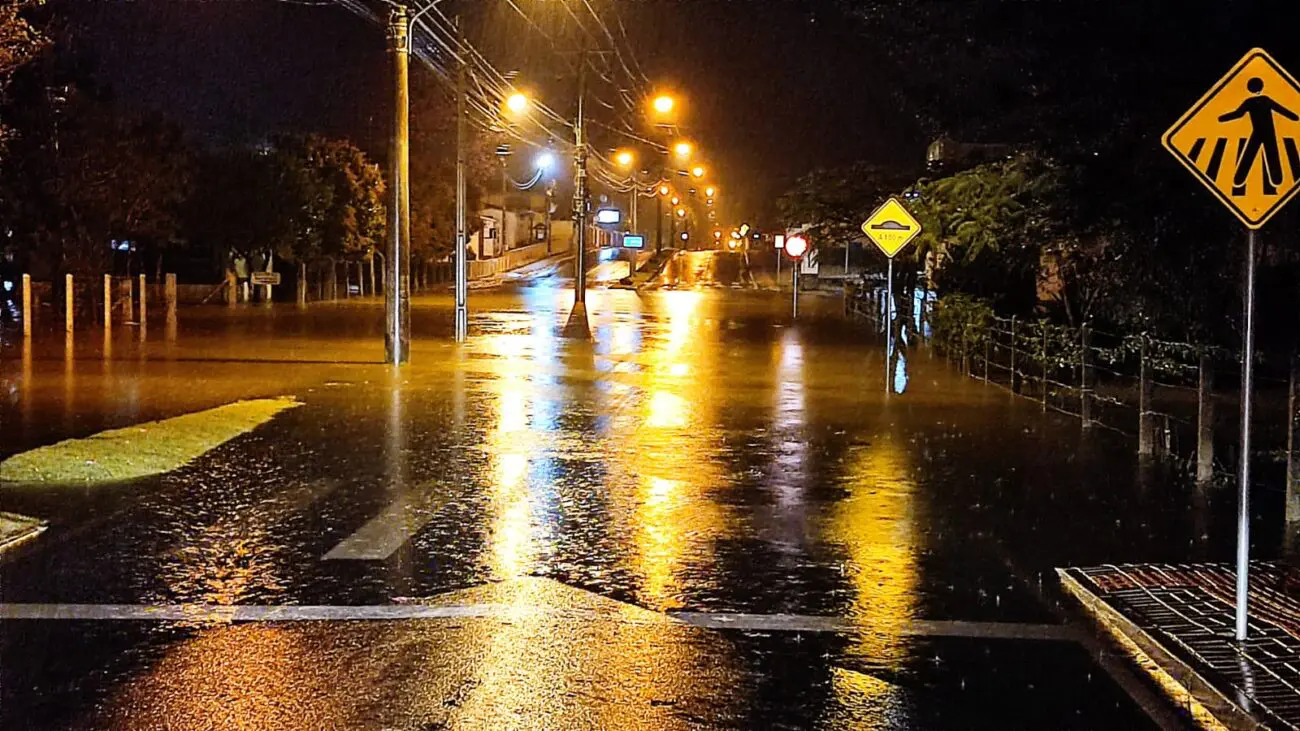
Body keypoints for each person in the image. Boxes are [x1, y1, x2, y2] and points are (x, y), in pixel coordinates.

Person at [1218, 76, 1299, 196]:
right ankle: (1276, 178)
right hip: (1268, 132)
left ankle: (1239, 178)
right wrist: (1294, 117)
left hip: (1258, 132)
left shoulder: (1249, 102)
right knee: (1271, 153)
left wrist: (1222, 118)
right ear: (1261, 87)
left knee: (1250, 154)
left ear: (1249, 88)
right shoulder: (1266, 100)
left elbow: (1238, 114)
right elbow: (1280, 109)